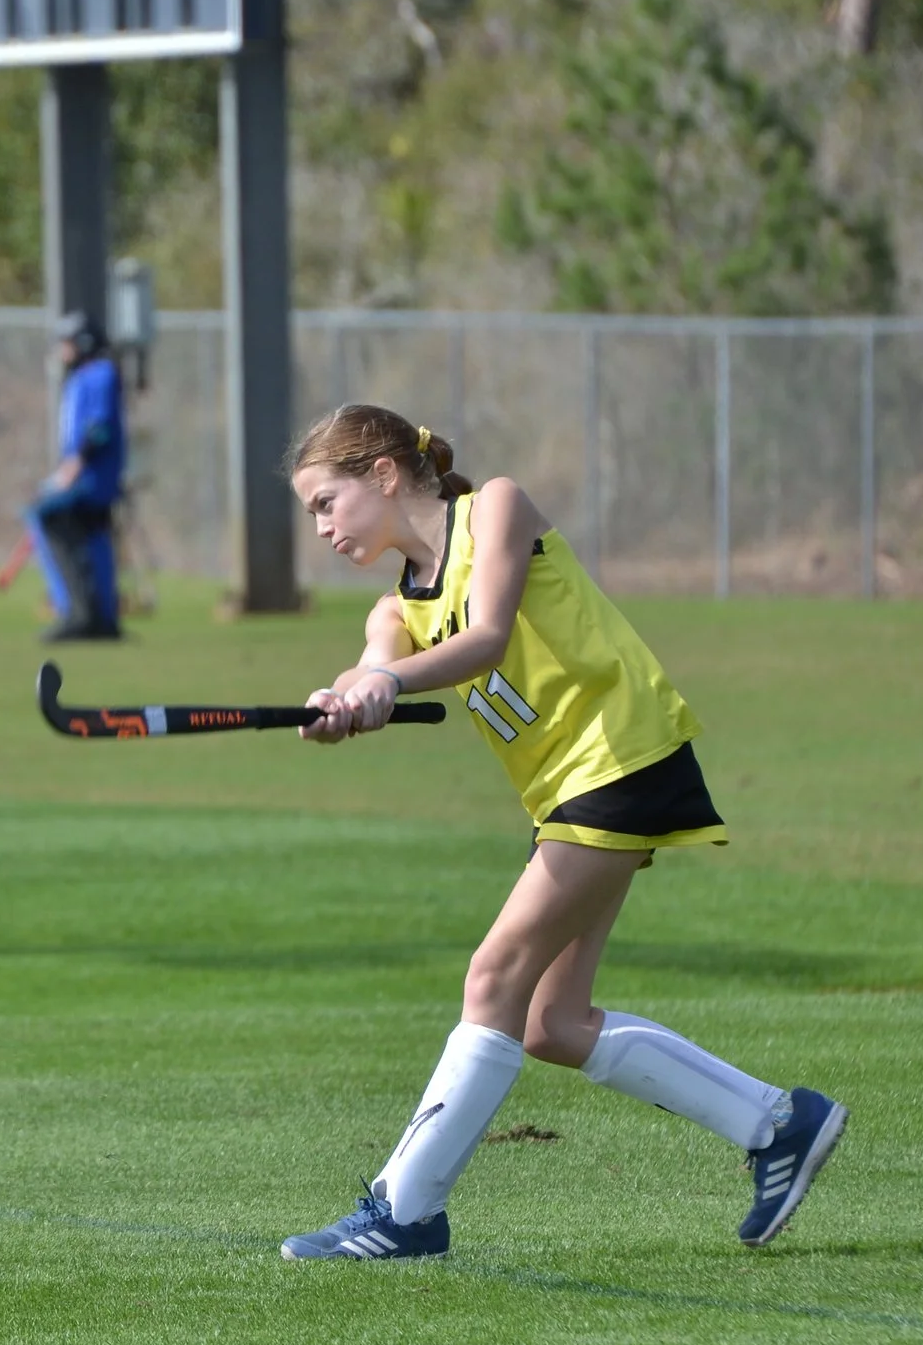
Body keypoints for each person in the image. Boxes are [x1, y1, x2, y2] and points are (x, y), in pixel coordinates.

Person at [277, 404, 848, 1260]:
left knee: (494, 974)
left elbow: (487, 636)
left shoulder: (495, 507)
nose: (320, 526)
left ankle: (406, 1212)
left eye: (326, 501)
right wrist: (344, 700)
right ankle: (779, 1124)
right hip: (572, 792)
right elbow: (372, 658)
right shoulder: (398, 607)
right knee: (551, 1022)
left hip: (616, 760)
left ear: (384, 475)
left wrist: (388, 682)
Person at [26, 310, 128, 642]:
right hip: (87, 477)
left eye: (67, 343)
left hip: (91, 479)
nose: (62, 350)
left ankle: (79, 612)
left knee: (47, 518)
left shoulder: (99, 374)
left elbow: (98, 429)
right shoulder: (83, 377)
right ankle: (100, 617)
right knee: (90, 534)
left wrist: (74, 466)